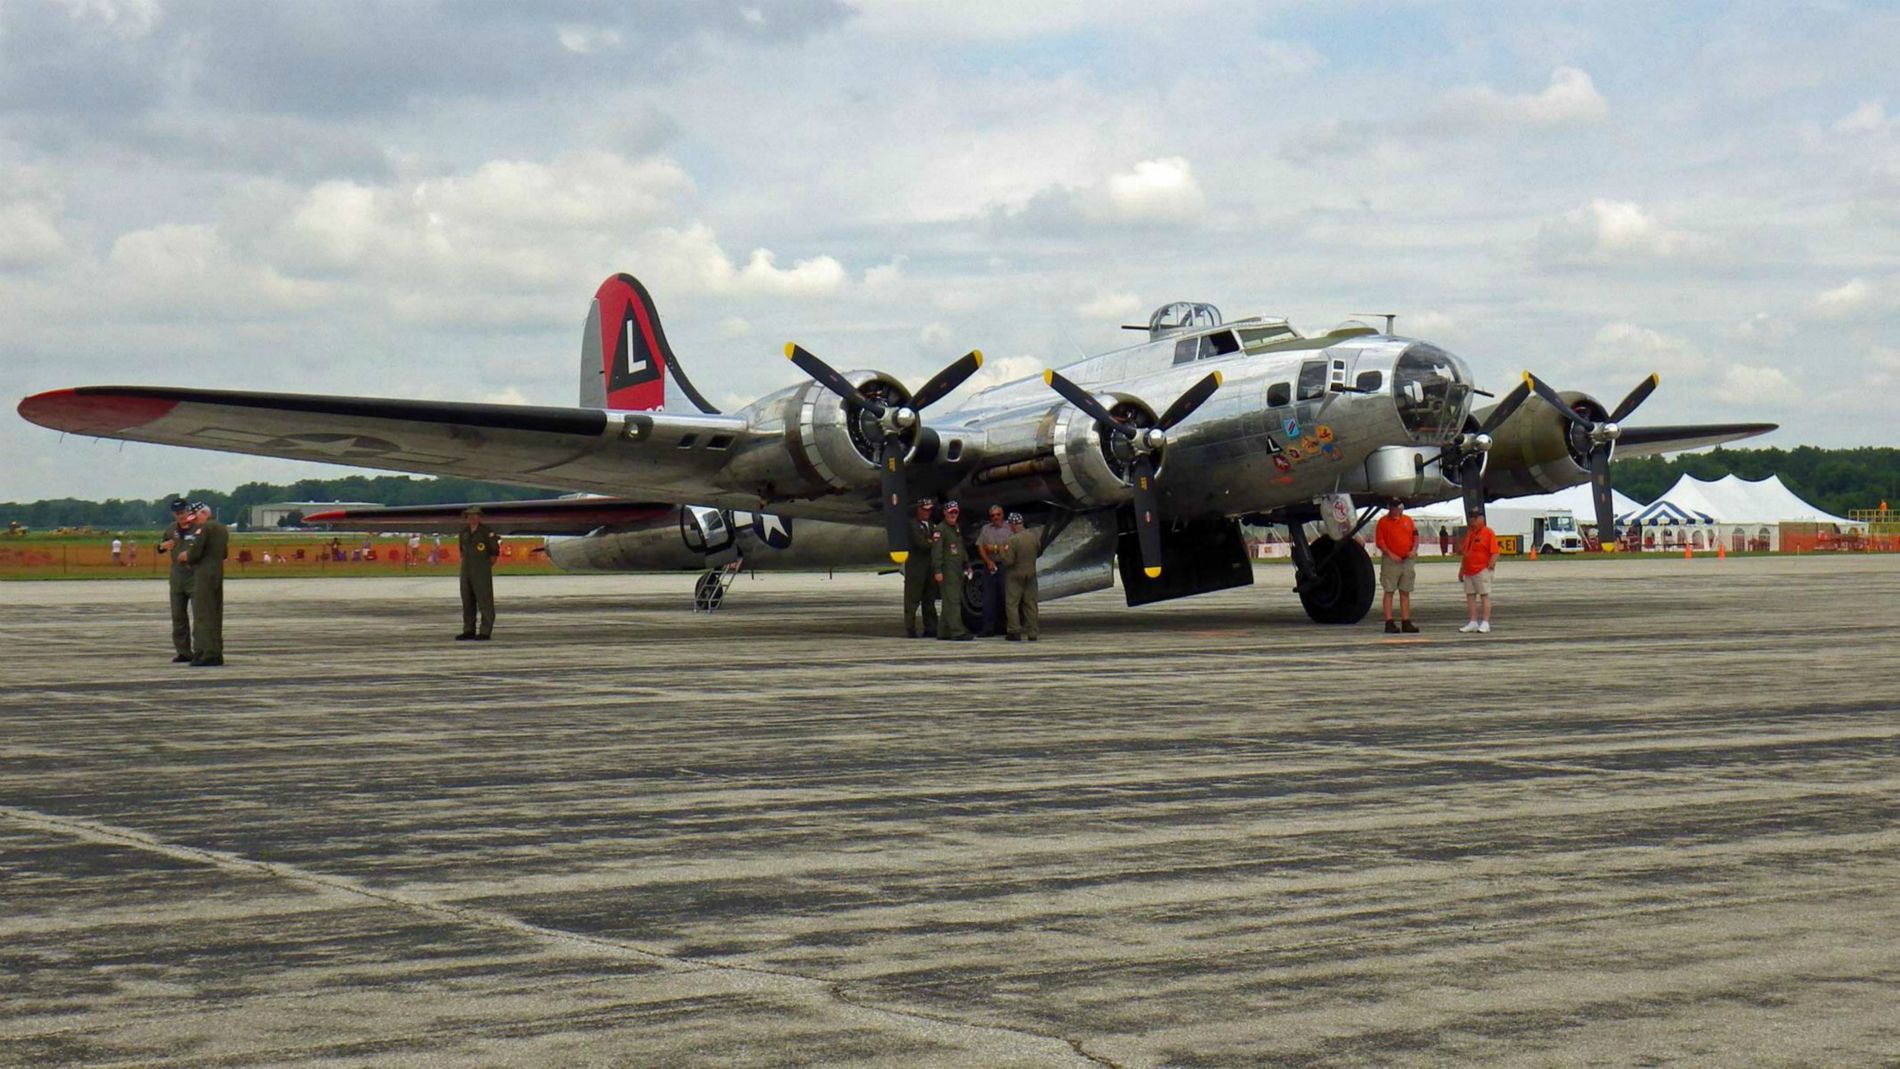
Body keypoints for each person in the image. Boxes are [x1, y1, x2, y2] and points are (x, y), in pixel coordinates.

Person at [180, 501, 228, 665]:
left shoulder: (205, 528)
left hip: (203, 574)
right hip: (216, 572)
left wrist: (187, 556)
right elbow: (224, 553)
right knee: (215, 613)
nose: (194, 521)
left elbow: (196, 551)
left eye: (196, 517)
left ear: (204, 514)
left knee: (203, 614)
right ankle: (215, 650)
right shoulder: (221, 528)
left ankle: (206, 652)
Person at [931, 501, 975, 641]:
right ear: (944, 513)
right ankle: (957, 631)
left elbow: (960, 547)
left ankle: (943, 631)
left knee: (948, 601)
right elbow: (936, 552)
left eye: (955, 512)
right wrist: (937, 570)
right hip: (947, 570)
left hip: (957, 570)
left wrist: (967, 564)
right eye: (950, 512)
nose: (953, 515)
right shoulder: (940, 530)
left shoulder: (955, 528)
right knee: (954, 601)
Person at [158, 498, 195, 662]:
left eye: (183, 512)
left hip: (195, 576)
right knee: (178, 616)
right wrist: (162, 546)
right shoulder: (171, 529)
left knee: (200, 616)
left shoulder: (199, 528)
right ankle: (183, 651)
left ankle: (201, 648)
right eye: (177, 513)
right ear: (173, 514)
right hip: (177, 577)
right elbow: (160, 547)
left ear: (189, 511)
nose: (181, 516)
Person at [1375, 500, 1420, 633]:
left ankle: (1406, 621)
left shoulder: (1408, 520)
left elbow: (1415, 536)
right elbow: (1380, 541)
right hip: (1391, 560)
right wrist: (1390, 554)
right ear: (1390, 508)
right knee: (1389, 590)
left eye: (1398, 506)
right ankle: (1389, 622)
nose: (1396, 509)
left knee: (1405, 591)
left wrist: (1413, 550)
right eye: (1393, 507)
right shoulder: (1383, 522)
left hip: (1407, 559)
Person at [457, 506, 500, 640]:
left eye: (475, 515)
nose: (472, 518)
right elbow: (462, 552)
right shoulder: (464, 533)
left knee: (485, 601)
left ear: (479, 517)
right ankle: (468, 629)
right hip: (466, 570)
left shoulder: (487, 532)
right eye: (470, 515)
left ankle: (485, 631)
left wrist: (484, 567)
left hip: (481, 570)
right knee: (467, 600)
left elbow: (494, 553)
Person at [999, 512, 1040, 641]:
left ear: (1013, 524)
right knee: (1031, 604)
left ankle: (1014, 631)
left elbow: (1009, 561)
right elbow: (1038, 551)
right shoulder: (1033, 537)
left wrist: (1002, 553)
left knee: (1012, 603)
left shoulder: (1012, 540)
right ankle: (1033, 632)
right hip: (1031, 573)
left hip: (1015, 575)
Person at [902, 497, 939, 638]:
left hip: (929, 568)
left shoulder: (931, 525)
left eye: (929, 510)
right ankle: (910, 628)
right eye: (925, 510)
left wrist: (931, 541)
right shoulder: (913, 525)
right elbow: (921, 543)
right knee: (912, 600)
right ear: (919, 510)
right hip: (916, 568)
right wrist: (933, 541)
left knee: (929, 599)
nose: (927, 512)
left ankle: (931, 627)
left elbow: (931, 541)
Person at [1458, 507, 1499, 634]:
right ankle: (1473, 621)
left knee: (1484, 595)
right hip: (1469, 570)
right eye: (1471, 518)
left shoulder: (1488, 532)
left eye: (1475, 518)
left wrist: (1491, 564)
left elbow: (1495, 551)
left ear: (1482, 519)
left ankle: (1485, 622)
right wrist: (1461, 569)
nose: (1473, 521)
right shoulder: (1470, 533)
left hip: (1482, 569)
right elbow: (1466, 553)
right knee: (1470, 595)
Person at [974, 504, 1011, 637]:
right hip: (989, 566)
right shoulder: (986, 529)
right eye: (992, 516)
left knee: (1006, 598)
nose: (995, 517)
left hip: (1005, 566)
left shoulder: (1009, 528)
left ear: (1003, 515)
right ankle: (988, 628)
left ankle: (1007, 627)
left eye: (998, 515)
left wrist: (994, 548)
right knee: (988, 599)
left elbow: (1009, 547)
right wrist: (988, 561)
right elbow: (980, 546)